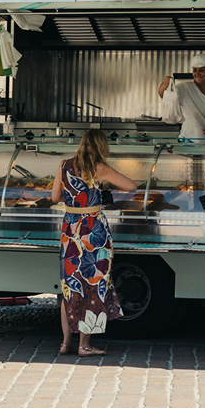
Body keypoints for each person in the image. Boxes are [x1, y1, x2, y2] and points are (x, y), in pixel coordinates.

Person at [52, 129, 137, 357]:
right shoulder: (100, 168)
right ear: (101, 147)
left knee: (70, 286)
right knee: (92, 283)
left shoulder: (63, 165)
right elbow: (131, 186)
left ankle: (65, 343)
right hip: (93, 230)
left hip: (70, 229)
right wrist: (103, 187)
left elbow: (54, 197)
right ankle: (84, 345)